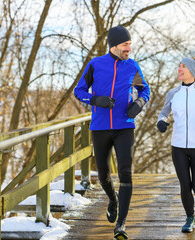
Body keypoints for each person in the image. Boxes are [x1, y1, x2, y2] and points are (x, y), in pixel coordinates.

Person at [74, 25, 150, 239]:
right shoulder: (96, 64)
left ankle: (121, 224)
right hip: (100, 127)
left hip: (125, 126)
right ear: (114, 45)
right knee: (103, 173)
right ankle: (113, 200)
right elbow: (78, 91)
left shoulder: (132, 66)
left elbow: (146, 89)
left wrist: (140, 103)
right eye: (126, 45)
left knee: (125, 172)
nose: (129, 48)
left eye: (130, 44)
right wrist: (95, 99)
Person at [156, 57, 195, 233]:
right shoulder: (173, 93)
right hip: (178, 147)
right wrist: (161, 121)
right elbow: (164, 112)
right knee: (185, 185)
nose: (179, 69)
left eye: (183, 67)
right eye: (179, 66)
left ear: (192, 71)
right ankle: (190, 218)